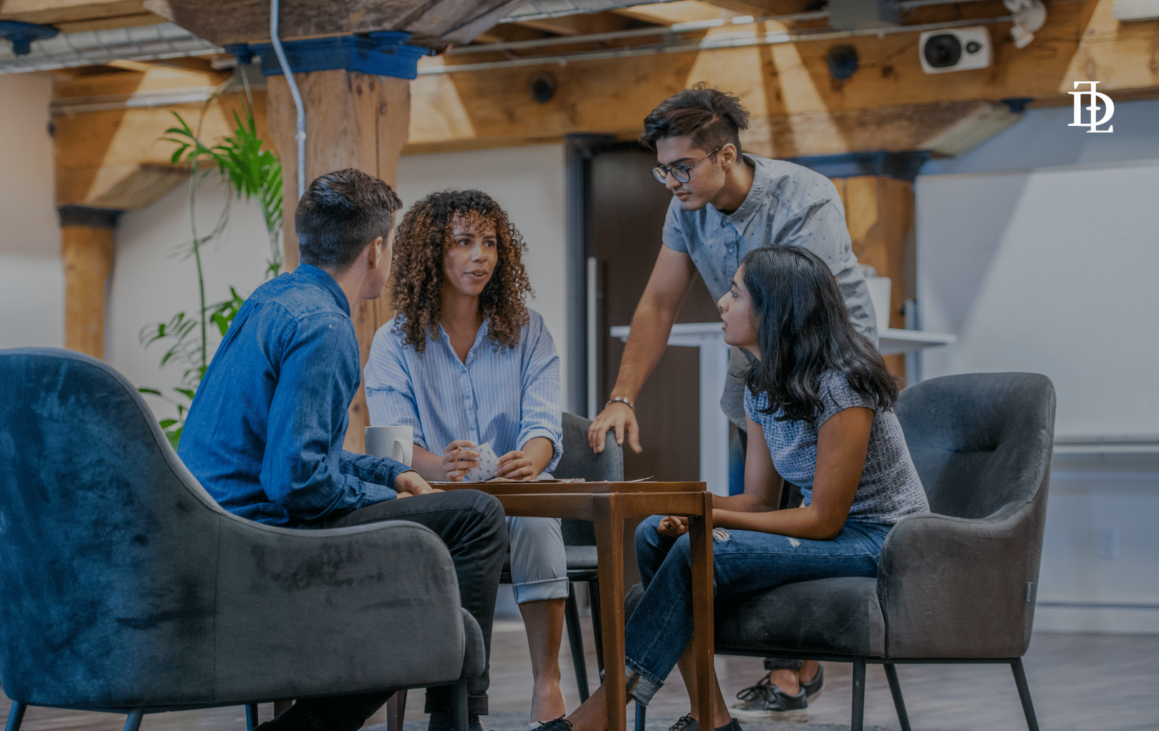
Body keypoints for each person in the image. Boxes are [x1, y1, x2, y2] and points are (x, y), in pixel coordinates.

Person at [538, 246, 930, 731]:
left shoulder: (842, 384)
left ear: (775, 310)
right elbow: (759, 501)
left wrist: (709, 517)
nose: (721, 303)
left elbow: (824, 519)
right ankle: (712, 716)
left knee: (699, 550)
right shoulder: (759, 383)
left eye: (736, 294)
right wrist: (680, 506)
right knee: (652, 535)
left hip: (882, 540)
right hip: (834, 532)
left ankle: (602, 710)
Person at [177, 169, 508, 731]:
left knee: (431, 550)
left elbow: (286, 455)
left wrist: (386, 472)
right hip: (257, 541)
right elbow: (296, 483)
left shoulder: (272, 300)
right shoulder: (326, 327)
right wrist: (376, 486)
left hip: (211, 530)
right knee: (476, 514)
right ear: (376, 250)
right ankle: (457, 719)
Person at [586, 84, 879, 716]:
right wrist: (622, 396)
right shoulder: (685, 207)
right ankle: (710, 707)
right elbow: (659, 302)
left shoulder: (803, 198)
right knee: (750, 502)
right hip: (760, 367)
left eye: (682, 166)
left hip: (824, 368)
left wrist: (711, 517)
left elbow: (807, 311)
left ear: (725, 155)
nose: (670, 181)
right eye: (662, 169)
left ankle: (789, 666)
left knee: (804, 505)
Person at [364, 189, 570, 726]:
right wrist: (437, 466)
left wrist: (531, 456)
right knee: (470, 518)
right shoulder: (393, 342)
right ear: (433, 252)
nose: (480, 255)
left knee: (537, 515)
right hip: (435, 498)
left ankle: (548, 685)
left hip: (515, 492)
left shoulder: (530, 330)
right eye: (463, 242)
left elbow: (545, 422)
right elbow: (389, 446)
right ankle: (451, 704)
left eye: (489, 243)